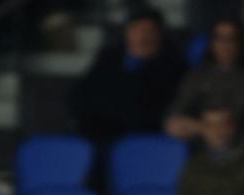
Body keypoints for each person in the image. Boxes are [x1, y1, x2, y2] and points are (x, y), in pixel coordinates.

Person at [67, 6, 186, 143]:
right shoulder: (109, 58)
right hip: (96, 133)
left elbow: (159, 111)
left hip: (143, 139)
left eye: (149, 30)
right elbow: (79, 95)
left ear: (159, 34)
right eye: (135, 29)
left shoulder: (174, 66)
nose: (141, 37)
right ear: (126, 32)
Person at [164, 18, 244, 142]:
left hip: (231, 133)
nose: (225, 45)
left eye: (231, 39)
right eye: (219, 38)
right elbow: (180, 105)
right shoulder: (198, 73)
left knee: (222, 130)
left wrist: (204, 125)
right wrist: (199, 126)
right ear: (212, 43)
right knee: (172, 124)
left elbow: (237, 114)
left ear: (241, 44)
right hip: (194, 130)